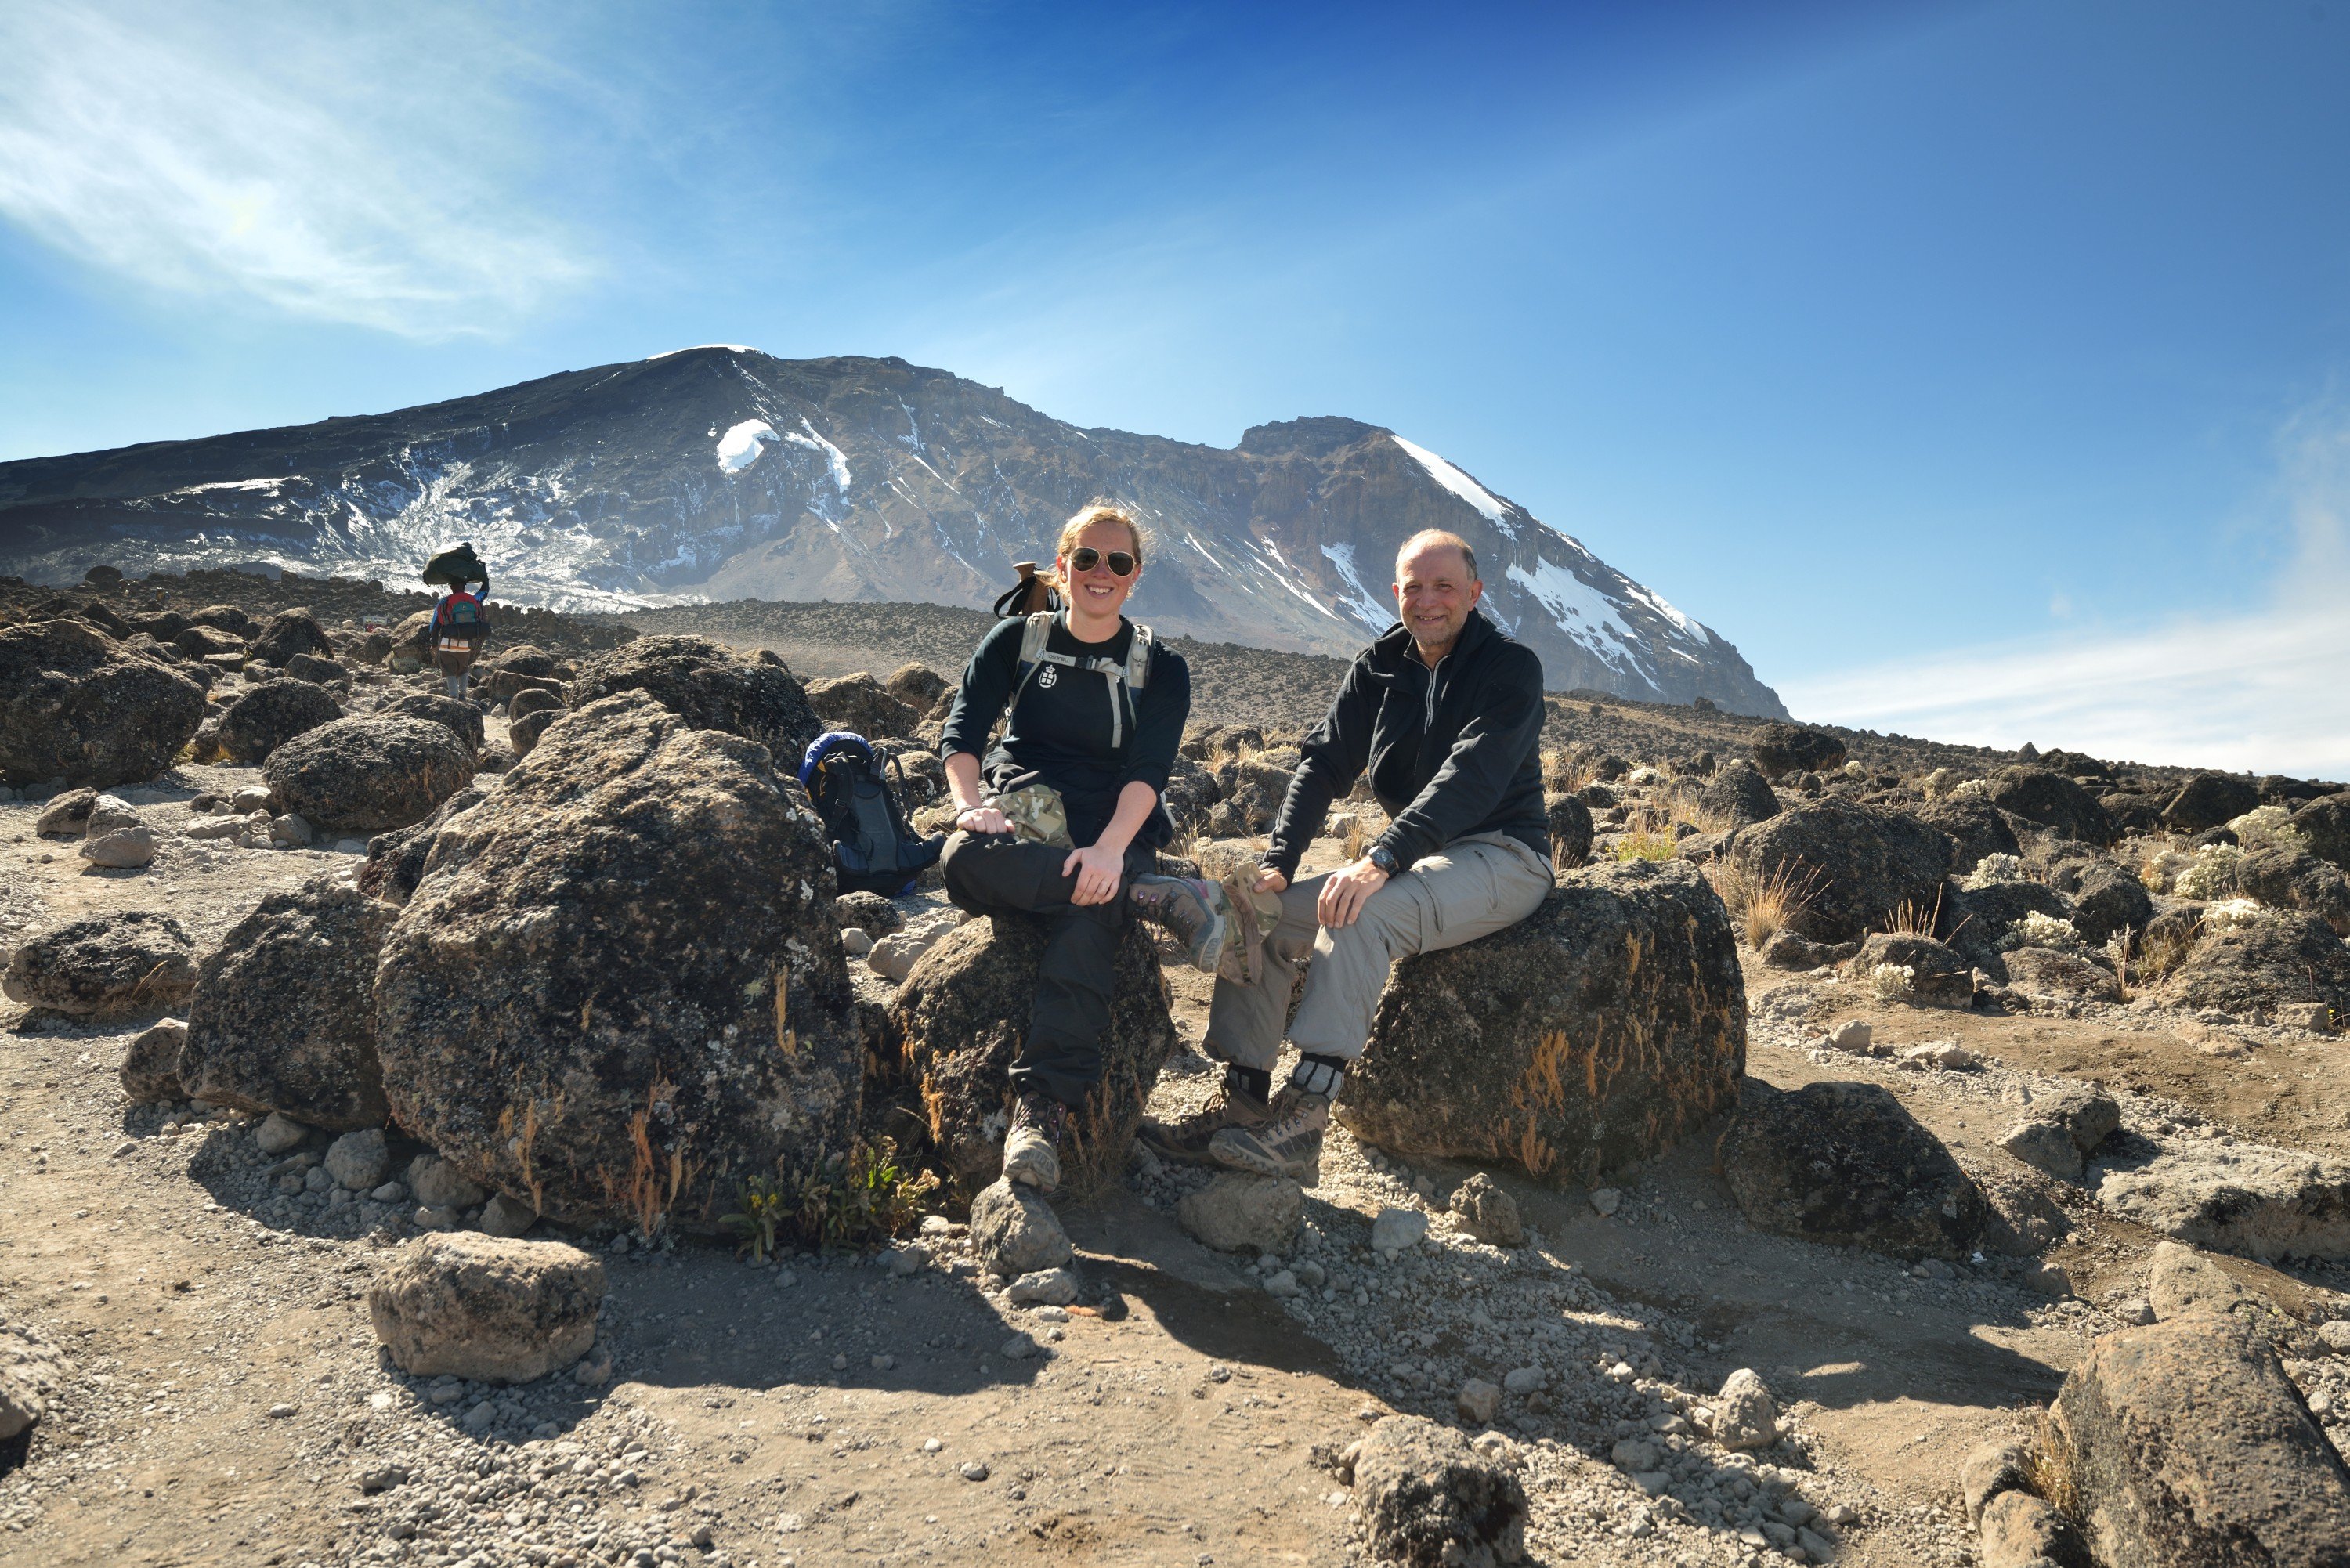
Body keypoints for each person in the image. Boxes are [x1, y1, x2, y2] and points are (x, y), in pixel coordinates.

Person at [1130, 529, 1553, 1183]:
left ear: (1474, 592)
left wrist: (1381, 859)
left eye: (1444, 586)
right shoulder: (1381, 664)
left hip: (1502, 855)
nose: (1428, 600)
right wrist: (1281, 863)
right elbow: (1324, 762)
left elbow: (1472, 775)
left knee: (1357, 910)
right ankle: (1241, 1103)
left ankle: (1302, 1120)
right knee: (1257, 912)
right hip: (1420, 856)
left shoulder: (1510, 668)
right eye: (1414, 586)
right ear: (1396, 593)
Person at [937, 503, 1193, 1194]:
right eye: (1086, 558)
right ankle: (1140, 891)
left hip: (1117, 820)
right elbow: (962, 737)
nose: (1100, 573)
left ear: (1135, 576)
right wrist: (971, 808)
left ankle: (1040, 1116)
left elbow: (1149, 773)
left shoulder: (1161, 666)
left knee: (1090, 907)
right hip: (1026, 809)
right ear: (1062, 566)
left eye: (1118, 562)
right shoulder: (1017, 640)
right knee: (962, 863)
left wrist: (1108, 851)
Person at [423, 544, 492, 701]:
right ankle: (463, 695)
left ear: (451, 587)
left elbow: (435, 626)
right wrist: (484, 576)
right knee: (463, 669)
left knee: (449, 670)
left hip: (448, 643)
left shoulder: (444, 602)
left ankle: (453, 697)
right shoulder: (474, 600)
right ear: (464, 585)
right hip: (465, 644)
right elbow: (484, 591)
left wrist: (434, 644)